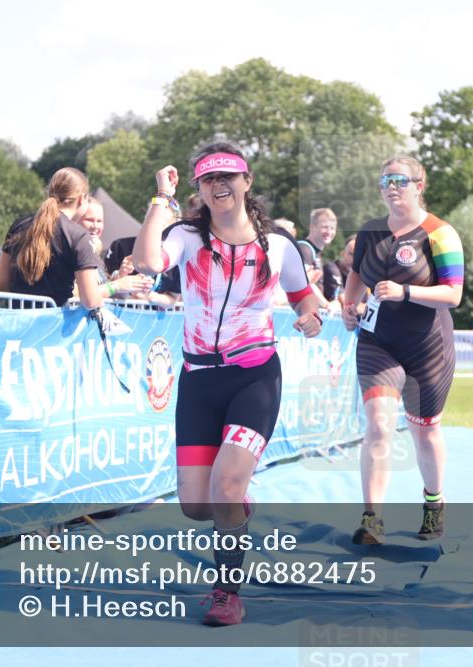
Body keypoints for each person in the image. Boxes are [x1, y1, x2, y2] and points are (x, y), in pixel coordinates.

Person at [132, 141, 322, 626]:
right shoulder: (187, 238)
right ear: (200, 190)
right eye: (209, 180)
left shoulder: (278, 245)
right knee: (198, 505)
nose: (219, 185)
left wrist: (311, 318)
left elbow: (306, 300)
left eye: (228, 177)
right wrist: (161, 199)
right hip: (198, 380)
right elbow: (149, 261)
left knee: (225, 486)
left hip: (254, 377)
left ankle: (226, 592)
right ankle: (234, 504)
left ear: (246, 182)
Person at [341, 156, 463, 545]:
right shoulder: (370, 232)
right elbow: (357, 273)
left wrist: (406, 292)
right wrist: (349, 305)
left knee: (424, 433)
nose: (391, 187)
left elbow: (453, 294)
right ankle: (372, 518)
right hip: (378, 343)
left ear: (419, 185)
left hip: (428, 349)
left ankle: (433, 503)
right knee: (378, 423)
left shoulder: (441, 234)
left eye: (400, 181)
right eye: (385, 181)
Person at [0, 167, 102, 309]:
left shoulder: (19, 225)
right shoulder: (79, 236)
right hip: (53, 327)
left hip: (18, 324)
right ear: (82, 199)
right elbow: (90, 301)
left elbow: (1, 284)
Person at [73, 196, 152, 300]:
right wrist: (117, 285)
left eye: (99, 221)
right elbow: (74, 293)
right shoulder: (71, 252)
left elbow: (103, 292)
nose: (95, 226)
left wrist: (122, 275)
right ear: (75, 219)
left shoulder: (95, 255)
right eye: (89, 220)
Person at [297, 208, 338, 307]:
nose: (329, 232)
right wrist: (327, 305)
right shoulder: (304, 249)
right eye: (325, 227)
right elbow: (304, 283)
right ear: (312, 227)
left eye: (332, 228)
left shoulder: (317, 252)